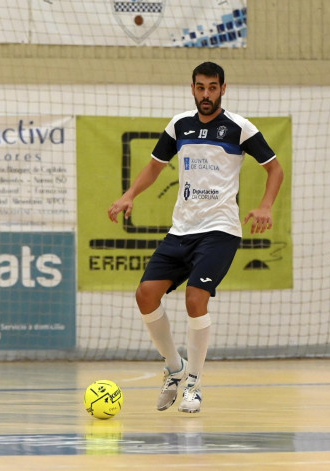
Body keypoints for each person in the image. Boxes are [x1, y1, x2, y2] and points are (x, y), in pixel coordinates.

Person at [107, 62, 284, 413]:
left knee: (195, 298)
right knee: (145, 295)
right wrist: (129, 196)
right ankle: (175, 369)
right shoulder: (179, 125)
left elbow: (275, 168)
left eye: (212, 87)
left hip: (219, 230)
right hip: (181, 229)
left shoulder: (239, 127)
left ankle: (194, 384)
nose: (206, 94)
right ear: (192, 89)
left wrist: (265, 206)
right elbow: (155, 166)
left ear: (223, 88)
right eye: (200, 87)